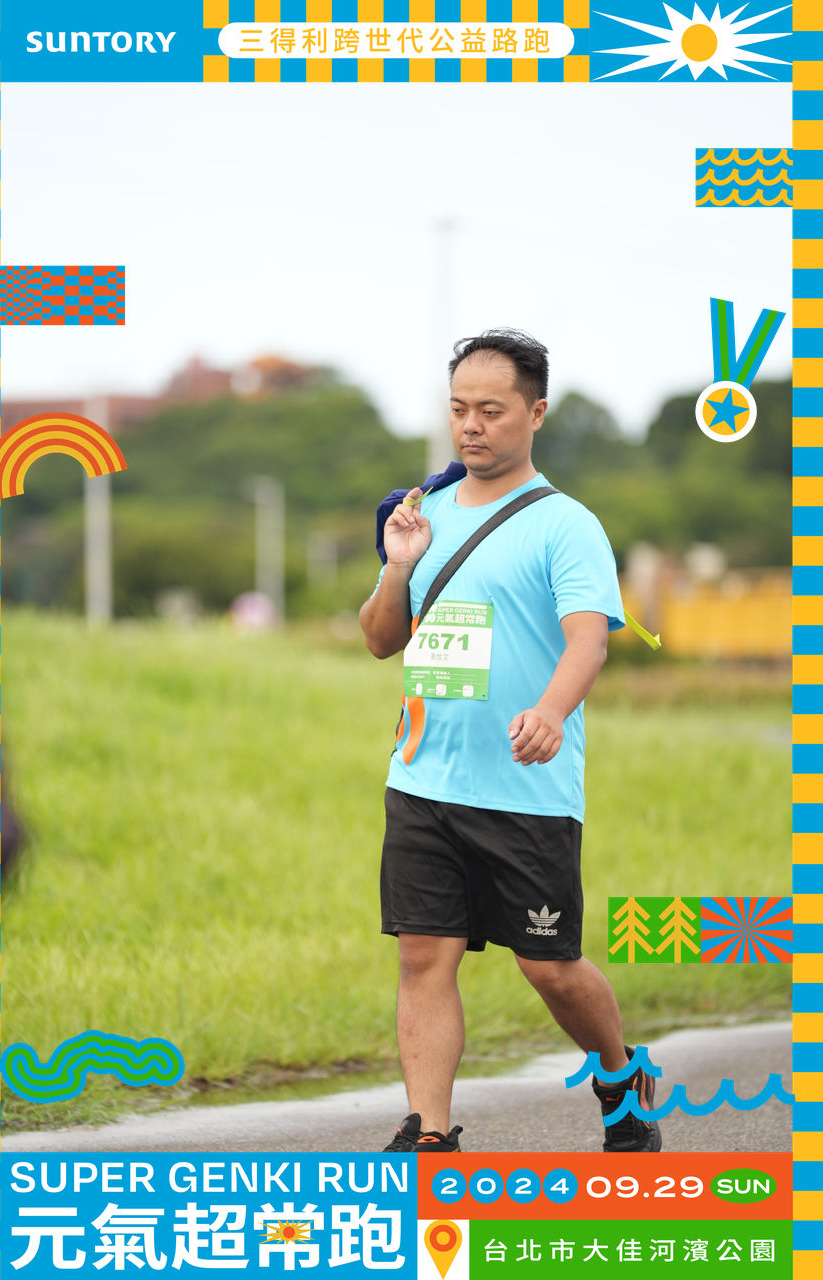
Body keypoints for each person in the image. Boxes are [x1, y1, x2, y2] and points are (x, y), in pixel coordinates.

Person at [359, 328, 661, 1155]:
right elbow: (381, 640)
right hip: (422, 778)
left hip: (524, 788)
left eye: (490, 410)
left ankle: (618, 1076)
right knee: (423, 956)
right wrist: (397, 565)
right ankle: (428, 1133)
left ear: (535, 413)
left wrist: (552, 712)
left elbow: (587, 642)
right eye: (458, 408)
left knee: (548, 967)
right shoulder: (421, 514)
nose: (470, 426)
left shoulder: (566, 525)